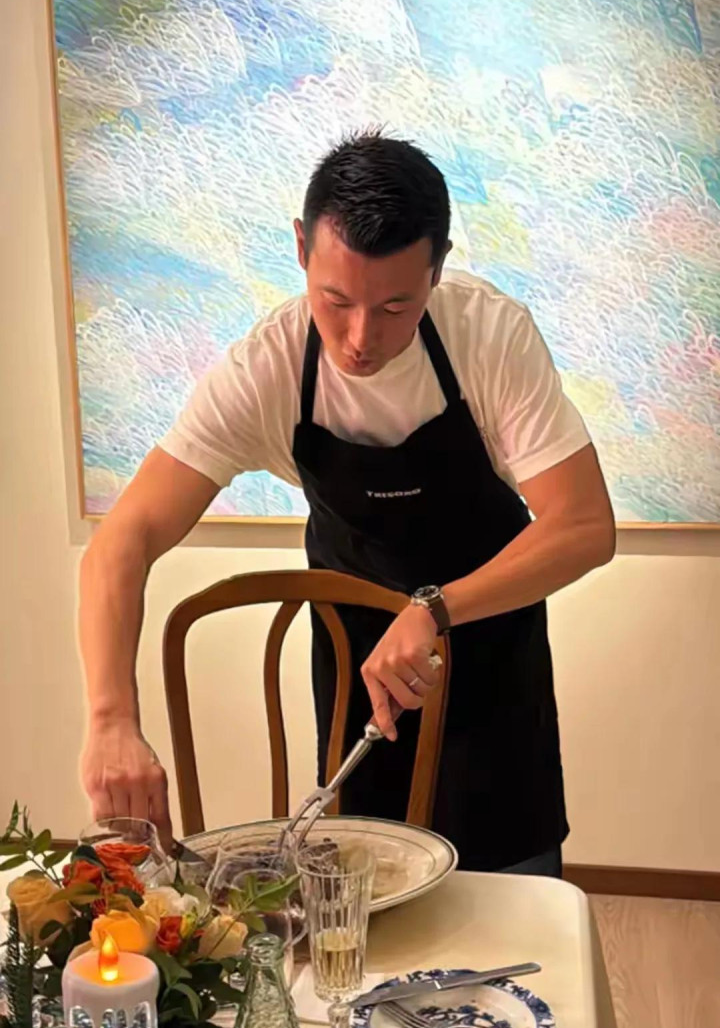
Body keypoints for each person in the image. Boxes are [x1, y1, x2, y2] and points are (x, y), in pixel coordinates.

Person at [79, 131, 615, 874]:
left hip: (490, 650)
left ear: (437, 267)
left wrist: (435, 607)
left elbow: (584, 526)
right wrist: (110, 718)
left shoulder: (488, 335)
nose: (361, 338)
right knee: (359, 906)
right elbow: (125, 536)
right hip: (359, 679)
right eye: (335, 300)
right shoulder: (267, 367)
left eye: (396, 306)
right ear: (302, 248)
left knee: (514, 902)